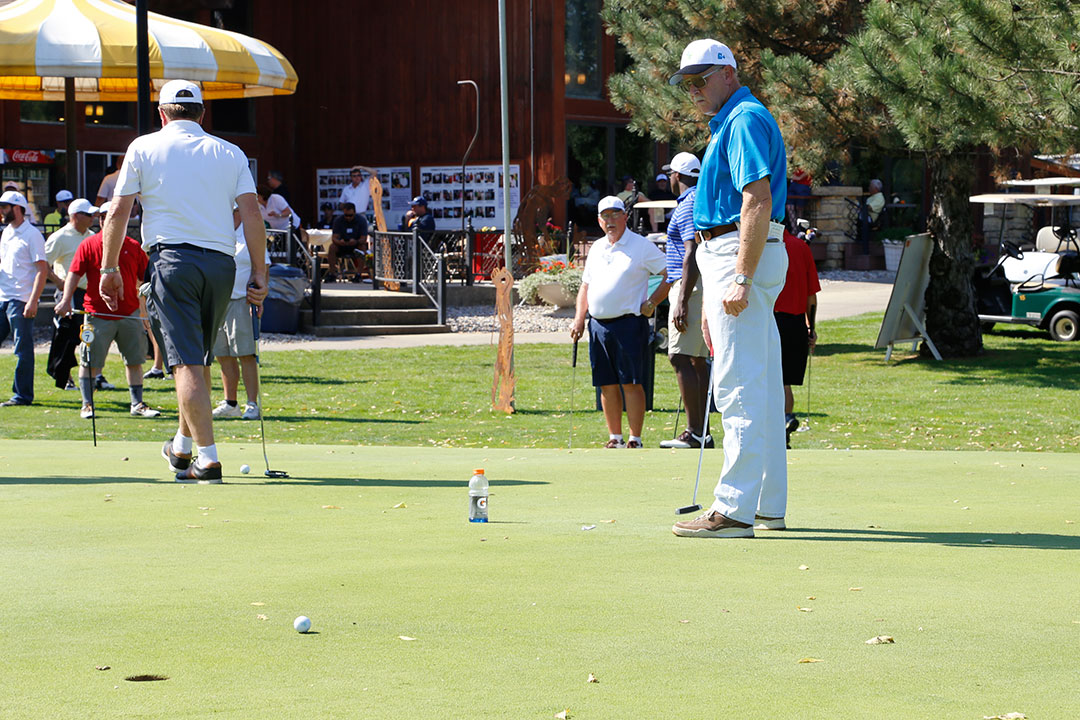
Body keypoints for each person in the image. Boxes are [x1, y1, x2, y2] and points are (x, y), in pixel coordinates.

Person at [99, 79, 268, 483]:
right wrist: (260, 272)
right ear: (201, 113)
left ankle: (207, 459)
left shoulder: (143, 146)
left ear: (162, 113)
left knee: (187, 361)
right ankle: (181, 446)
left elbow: (118, 212)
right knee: (196, 359)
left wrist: (108, 269)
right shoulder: (230, 151)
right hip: (221, 265)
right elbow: (252, 215)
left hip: (172, 262)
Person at [668, 39, 790, 539]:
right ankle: (765, 505)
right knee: (758, 386)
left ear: (728, 74)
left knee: (738, 385)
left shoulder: (741, 119)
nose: (693, 90)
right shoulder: (736, 119)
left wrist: (738, 274)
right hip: (737, 254)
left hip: (737, 253)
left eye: (701, 79)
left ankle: (733, 510)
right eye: (687, 83)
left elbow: (756, 199)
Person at [569, 196, 668, 449]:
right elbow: (586, 285)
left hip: (629, 324)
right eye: (605, 216)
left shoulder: (641, 246)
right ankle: (615, 437)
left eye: (615, 215)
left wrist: (653, 302)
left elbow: (670, 274)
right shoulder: (597, 247)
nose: (610, 221)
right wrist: (579, 318)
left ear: (625, 217)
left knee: (631, 382)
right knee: (606, 383)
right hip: (598, 325)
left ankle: (635, 438)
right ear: (599, 221)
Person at [54, 209, 160, 420]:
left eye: (112, 216)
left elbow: (146, 276)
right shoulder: (89, 244)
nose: (107, 220)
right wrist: (66, 300)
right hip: (97, 314)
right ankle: (87, 405)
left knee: (135, 361)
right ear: (100, 220)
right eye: (103, 216)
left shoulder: (132, 246)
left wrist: (148, 305)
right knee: (90, 361)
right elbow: (74, 273)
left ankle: (137, 403)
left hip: (129, 313)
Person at [655, 153, 712, 450]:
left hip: (690, 284)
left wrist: (682, 300)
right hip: (695, 284)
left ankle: (695, 432)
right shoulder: (696, 199)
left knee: (679, 356)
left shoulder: (688, 204)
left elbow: (692, 250)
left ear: (677, 175)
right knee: (696, 359)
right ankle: (703, 431)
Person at [211, 207, 270, 421]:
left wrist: (260, 297)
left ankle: (252, 404)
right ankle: (231, 403)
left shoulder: (251, 231)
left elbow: (264, 267)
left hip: (243, 300)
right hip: (217, 301)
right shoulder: (215, 229)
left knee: (246, 354)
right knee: (222, 354)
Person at [0, 190, 49, 407]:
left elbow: (42, 270)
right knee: (21, 349)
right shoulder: (6, 233)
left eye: (5, 207)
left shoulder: (32, 234)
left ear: (17, 208)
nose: (2, 211)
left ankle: (22, 396)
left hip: (21, 300)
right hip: (3, 297)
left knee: (22, 350)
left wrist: (33, 300)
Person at [774, 229, 820, 448]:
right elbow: (811, 295)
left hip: (771, 319)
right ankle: (785, 420)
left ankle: (777, 426)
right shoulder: (801, 248)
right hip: (795, 323)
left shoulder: (765, 246)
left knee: (768, 379)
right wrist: (811, 327)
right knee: (784, 382)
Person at [45, 198, 97, 390]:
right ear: (76, 216)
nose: (93, 218)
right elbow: (43, 263)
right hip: (68, 293)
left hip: (88, 293)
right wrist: (58, 282)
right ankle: (64, 375)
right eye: (88, 214)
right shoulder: (60, 237)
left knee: (89, 335)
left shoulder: (92, 236)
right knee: (68, 336)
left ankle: (93, 374)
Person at [326, 202, 369, 283]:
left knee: (362, 248)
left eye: (350, 215)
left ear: (355, 213)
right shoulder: (338, 220)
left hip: (355, 245)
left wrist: (355, 241)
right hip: (342, 245)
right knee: (332, 247)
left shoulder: (361, 220)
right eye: (346, 215)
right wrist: (339, 241)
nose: (348, 217)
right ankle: (332, 274)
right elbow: (334, 238)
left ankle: (358, 274)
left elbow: (364, 239)